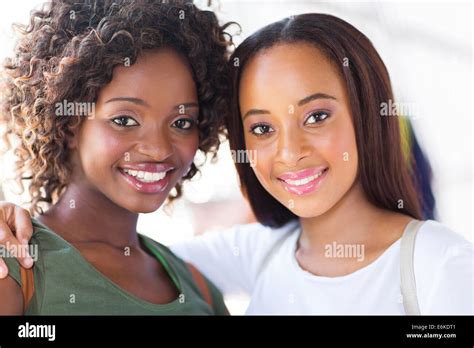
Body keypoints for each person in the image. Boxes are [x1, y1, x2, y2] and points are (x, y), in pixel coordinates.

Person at [1, 13, 472, 315]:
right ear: (65, 121)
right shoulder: (18, 265)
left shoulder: (438, 263)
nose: (290, 152)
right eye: (263, 129)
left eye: (317, 116)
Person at [0, 0, 233, 315]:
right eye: (125, 120)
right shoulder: (16, 263)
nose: (159, 149)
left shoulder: (199, 288)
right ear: (68, 123)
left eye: (181, 123)